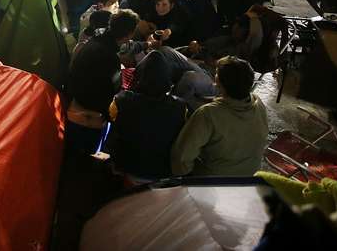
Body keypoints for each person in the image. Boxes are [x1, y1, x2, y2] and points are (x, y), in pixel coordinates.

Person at [171, 56, 268, 176]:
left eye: (216, 74)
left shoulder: (207, 114)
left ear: (220, 83)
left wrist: (184, 178)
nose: (214, 76)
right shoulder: (258, 104)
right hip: (247, 177)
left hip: (215, 182)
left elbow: (181, 158)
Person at [67, 10, 139, 155]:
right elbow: (112, 92)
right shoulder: (109, 57)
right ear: (129, 35)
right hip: (90, 114)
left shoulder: (94, 41)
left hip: (74, 100)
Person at [108, 51, 187, 181]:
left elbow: (112, 124)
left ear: (139, 74)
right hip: (164, 173)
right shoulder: (181, 107)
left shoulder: (121, 101)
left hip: (129, 168)